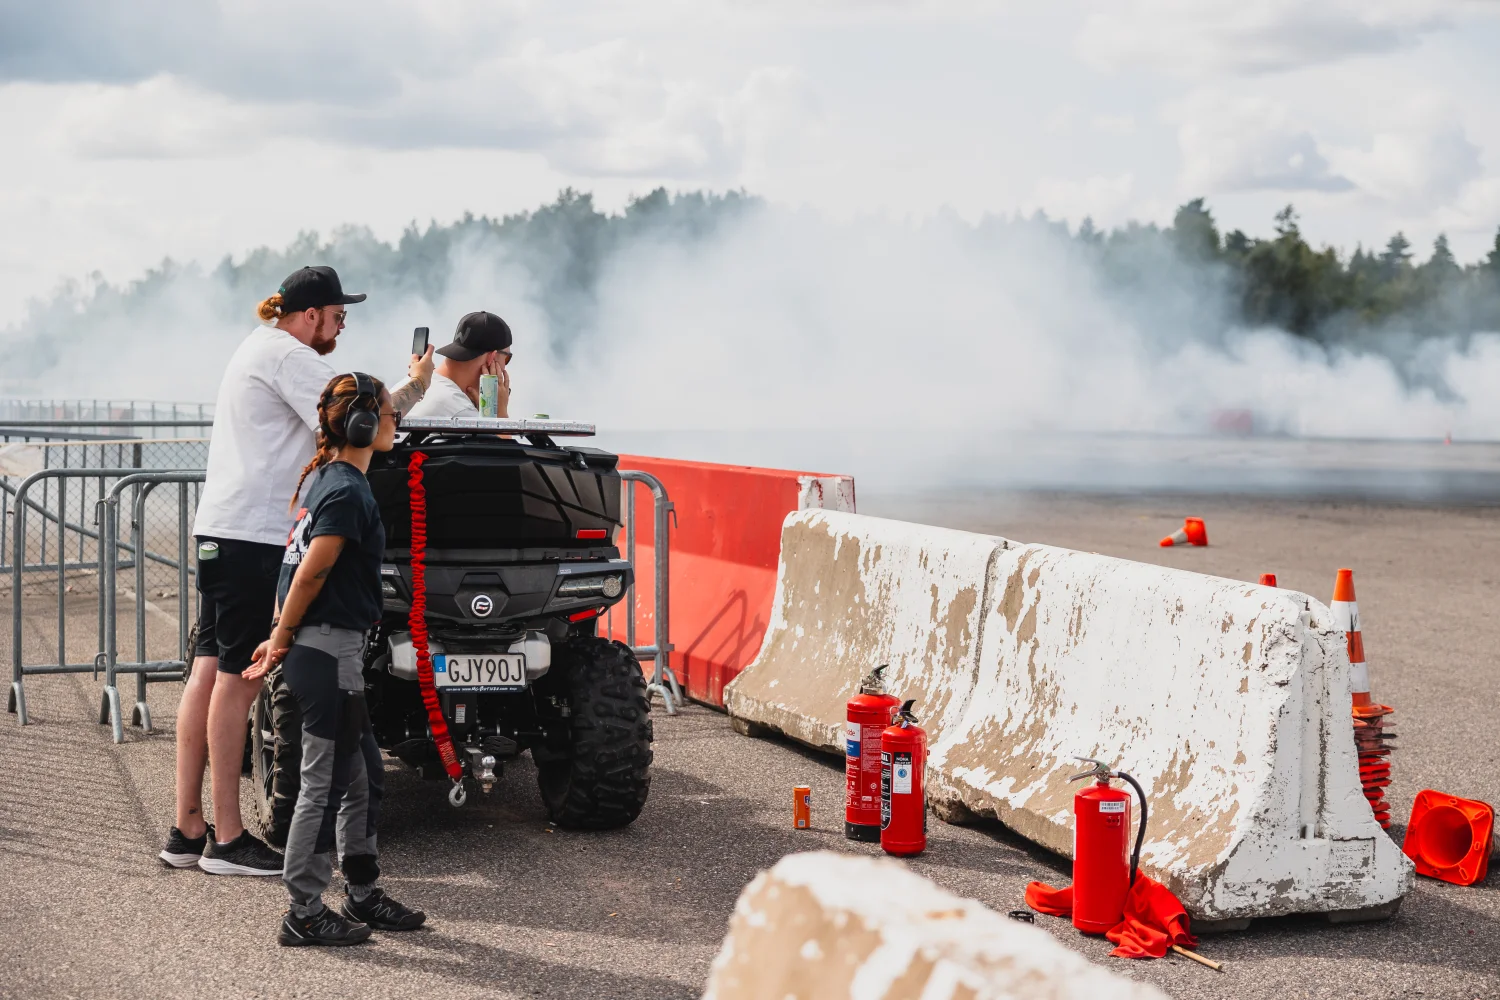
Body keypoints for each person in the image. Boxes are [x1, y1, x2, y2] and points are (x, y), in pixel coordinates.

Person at [159, 266, 434, 876]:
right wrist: (416, 385)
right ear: (310, 314)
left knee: (208, 673)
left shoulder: (256, 346)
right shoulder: (288, 355)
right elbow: (358, 410)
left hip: (221, 530)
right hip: (254, 536)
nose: (342, 326)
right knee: (241, 678)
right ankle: (227, 840)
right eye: (338, 316)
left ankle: (187, 827)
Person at [245, 372, 424, 946]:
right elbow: (311, 569)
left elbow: (290, 566)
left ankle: (363, 894)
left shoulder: (328, 478)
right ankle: (303, 909)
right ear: (365, 425)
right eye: (389, 414)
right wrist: (281, 636)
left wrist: (281, 631)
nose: (396, 421)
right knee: (321, 782)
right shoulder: (346, 490)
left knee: (365, 775)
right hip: (326, 651)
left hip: (323, 647)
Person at [404, 311, 512, 420]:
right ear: (491, 358)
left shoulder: (408, 385)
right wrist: (499, 414)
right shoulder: (461, 411)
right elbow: (503, 437)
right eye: (507, 358)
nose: (504, 367)